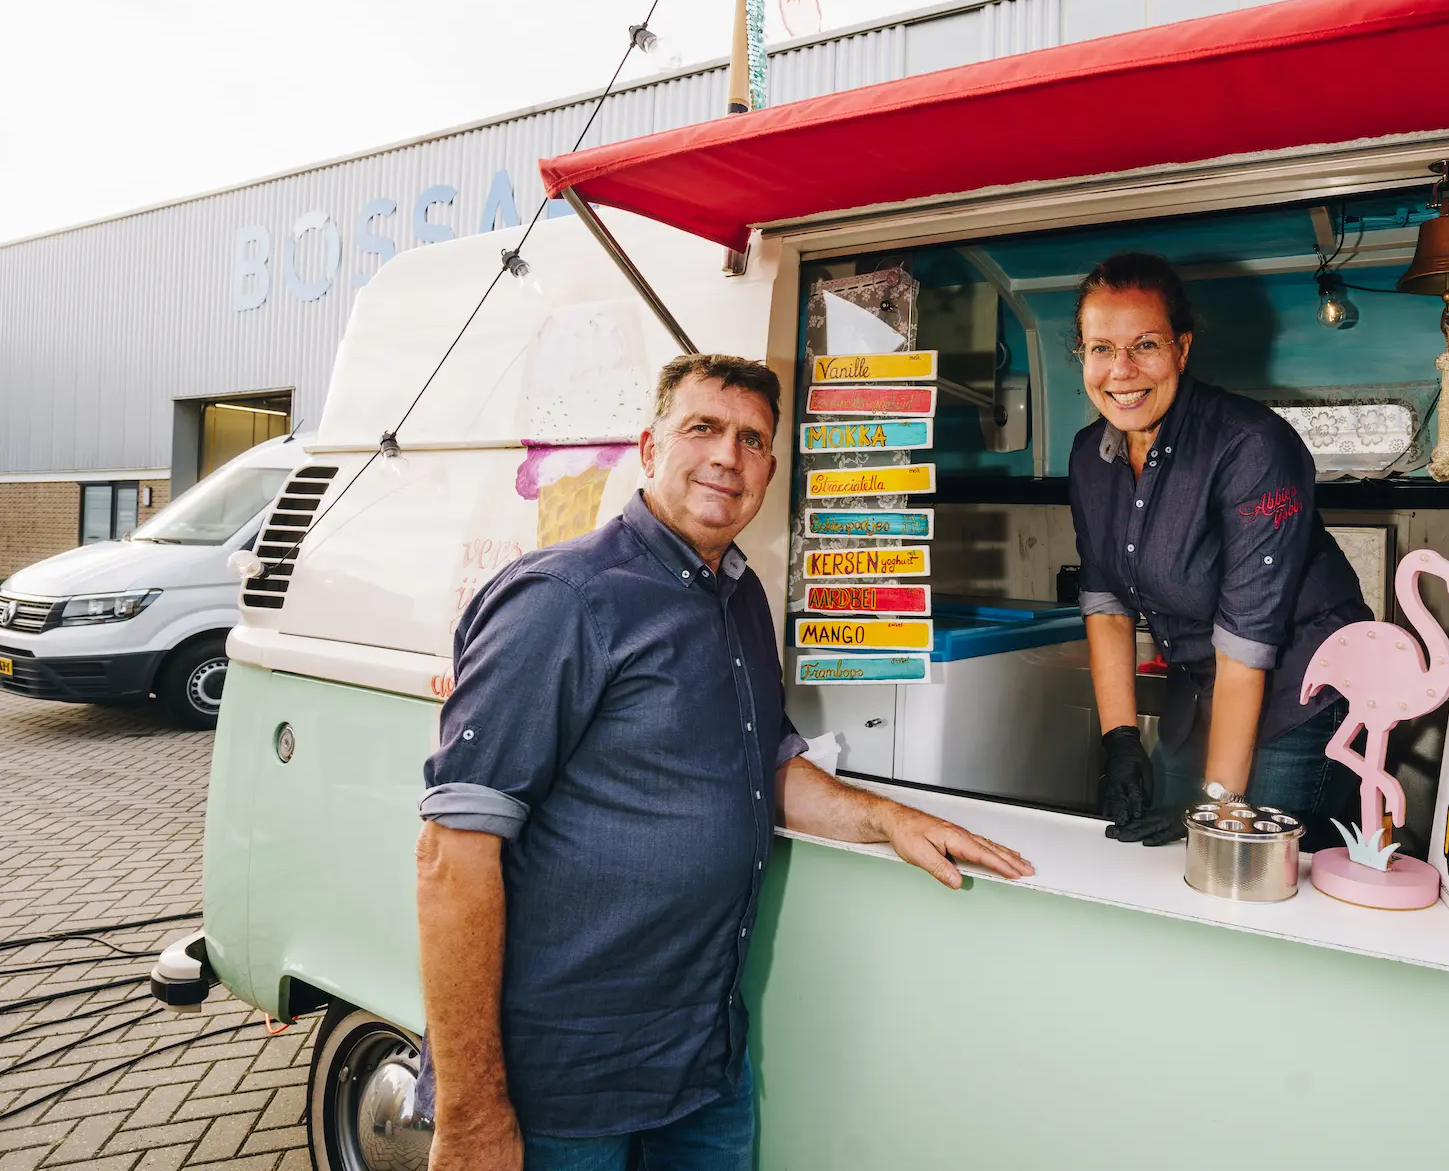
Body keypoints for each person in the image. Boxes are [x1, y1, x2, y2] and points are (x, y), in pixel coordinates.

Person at [414, 353, 1033, 1171]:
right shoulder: (564, 599)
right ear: (649, 446)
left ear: (772, 469)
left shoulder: (737, 595)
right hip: (564, 1084)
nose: (727, 457)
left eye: (752, 439)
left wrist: (885, 818)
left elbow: (764, 766)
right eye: (702, 429)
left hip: (702, 1064)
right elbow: (451, 861)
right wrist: (469, 1112)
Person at [1068, 252, 1374, 849]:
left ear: (1181, 349)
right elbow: (1104, 600)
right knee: (1169, 859)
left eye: (1145, 345)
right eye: (1101, 348)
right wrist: (1121, 740)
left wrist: (1216, 802)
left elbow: (1247, 641)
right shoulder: (1089, 457)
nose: (1121, 370)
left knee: (1247, 861)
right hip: (1200, 696)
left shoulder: (1251, 446)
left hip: (1301, 698)